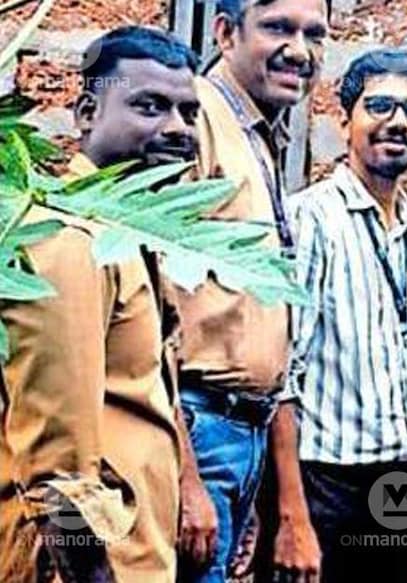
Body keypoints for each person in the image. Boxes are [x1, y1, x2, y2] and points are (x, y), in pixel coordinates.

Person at [0, 26, 199, 583]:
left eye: (189, 112)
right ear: (87, 113)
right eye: (150, 106)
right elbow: (57, 476)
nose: (178, 128)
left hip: (134, 558)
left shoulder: (122, 234)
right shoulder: (69, 241)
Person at [171, 0, 327, 580]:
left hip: (241, 435)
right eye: (278, 28)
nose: (300, 50)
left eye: (315, 34)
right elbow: (145, 311)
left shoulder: (256, 133)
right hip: (198, 428)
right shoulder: (193, 119)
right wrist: (185, 475)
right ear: (224, 32)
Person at [285, 48, 407, 583]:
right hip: (324, 483)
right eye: (379, 106)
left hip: (397, 483)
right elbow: (282, 377)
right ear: (344, 119)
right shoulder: (309, 220)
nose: (398, 122)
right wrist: (291, 514)